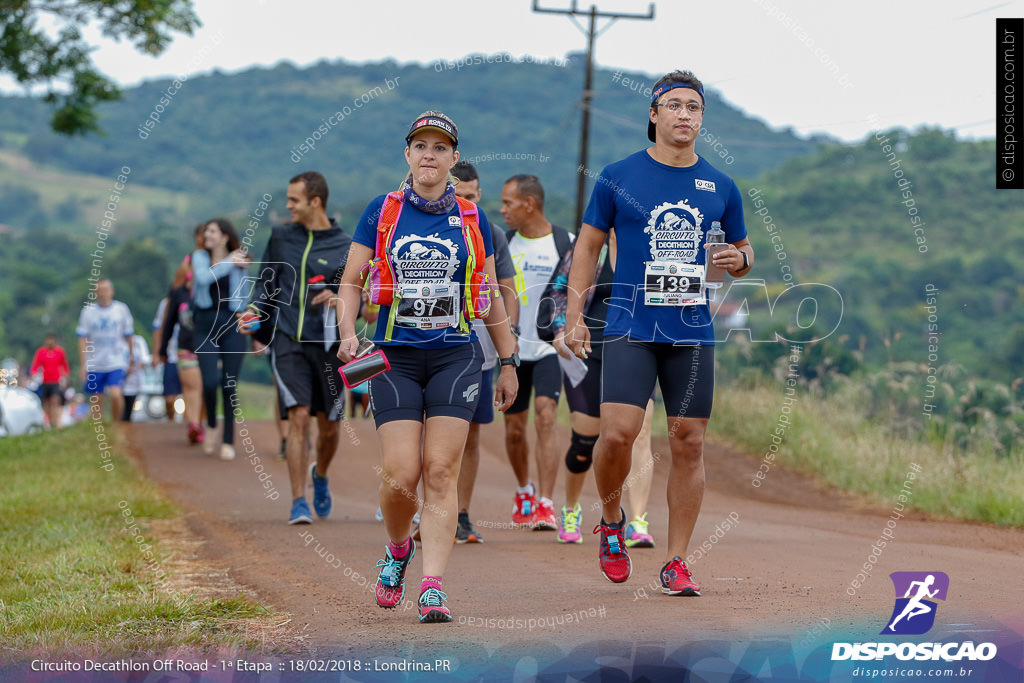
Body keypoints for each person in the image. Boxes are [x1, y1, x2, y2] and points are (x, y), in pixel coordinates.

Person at [566, 70, 753, 595]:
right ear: (653, 114)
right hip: (630, 323)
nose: (684, 115)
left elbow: (743, 249)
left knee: (689, 441)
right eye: (673, 105)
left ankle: (676, 561)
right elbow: (587, 248)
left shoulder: (720, 185)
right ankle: (610, 520)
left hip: (691, 329)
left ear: (701, 119)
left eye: (693, 107)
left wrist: (739, 258)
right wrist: (574, 315)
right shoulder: (618, 176)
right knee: (619, 434)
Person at [336, 111, 518, 623]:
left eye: (441, 147)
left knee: (441, 470)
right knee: (401, 475)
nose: (430, 155)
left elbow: (487, 296)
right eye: (421, 146)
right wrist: (348, 333)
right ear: (408, 154)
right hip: (394, 355)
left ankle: (433, 586)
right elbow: (351, 281)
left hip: (456, 354)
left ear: (454, 159)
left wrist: (508, 361)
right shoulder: (383, 210)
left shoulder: (471, 218)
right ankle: (398, 549)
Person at [242, 171, 352, 525]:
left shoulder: (347, 245)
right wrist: (254, 312)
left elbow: (357, 294)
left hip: (330, 348)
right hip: (288, 341)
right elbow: (266, 284)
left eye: (294, 200)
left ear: (315, 202)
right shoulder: (281, 237)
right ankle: (297, 500)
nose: (287, 206)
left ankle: (320, 475)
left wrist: (338, 297)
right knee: (299, 416)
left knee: (330, 426)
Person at [451, 159, 519, 544]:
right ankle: (421, 510)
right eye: (457, 196)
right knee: (427, 434)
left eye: (471, 197)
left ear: (480, 196)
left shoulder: (491, 233)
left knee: (471, 435)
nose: (465, 203)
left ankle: (460, 514)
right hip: (432, 344)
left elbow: (506, 292)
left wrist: (507, 347)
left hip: (480, 351)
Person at [502, 174, 573, 530]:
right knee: (515, 429)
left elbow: (581, 294)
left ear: (529, 204)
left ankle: (546, 503)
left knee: (546, 416)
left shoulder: (566, 243)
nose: (502, 211)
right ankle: (523, 489)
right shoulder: (504, 244)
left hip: (548, 348)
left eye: (508, 203)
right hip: (512, 351)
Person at [192, 218, 250, 460]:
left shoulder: (239, 260)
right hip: (205, 324)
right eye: (206, 230)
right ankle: (212, 423)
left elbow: (244, 296)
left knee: (229, 384)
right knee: (209, 381)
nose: (207, 234)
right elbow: (204, 278)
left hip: (231, 324)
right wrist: (230, 261)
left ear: (225, 236)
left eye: (213, 231)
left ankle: (228, 439)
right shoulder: (199, 257)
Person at [77, 279, 134, 423]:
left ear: (111, 292)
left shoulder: (121, 310)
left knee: (115, 394)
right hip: (95, 361)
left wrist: (131, 359)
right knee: (96, 399)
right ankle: (98, 429)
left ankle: (117, 425)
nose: (102, 293)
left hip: (116, 360)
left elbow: (129, 337)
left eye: (105, 290)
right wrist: (83, 365)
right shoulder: (88, 312)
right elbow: (82, 339)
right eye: (99, 290)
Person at [158, 262, 204, 444]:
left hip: (209, 348)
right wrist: (162, 350)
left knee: (204, 388)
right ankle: (193, 424)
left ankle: (200, 422)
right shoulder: (178, 294)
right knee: (191, 387)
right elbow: (168, 324)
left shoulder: (213, 291)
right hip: (185, 347)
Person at [29, 333, 70, 429]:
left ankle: (56, 422)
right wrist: (33, 374)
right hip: (44, 382)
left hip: (56, 382)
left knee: (55, 401)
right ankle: (50, 421)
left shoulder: (60, 352)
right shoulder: (41, 352)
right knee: (46, 404)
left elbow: (64, 365)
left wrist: (65, 377)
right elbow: (36, 365)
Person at [121, 334, 152, 422]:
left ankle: (127, 423)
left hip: (135, 381)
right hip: (120, 381)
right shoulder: (118, 340)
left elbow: (145, 359)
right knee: (121, 406)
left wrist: (134, 367)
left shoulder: (139, 341)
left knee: (130, 408)